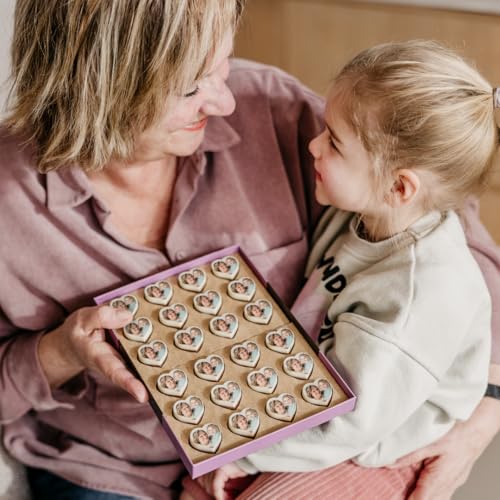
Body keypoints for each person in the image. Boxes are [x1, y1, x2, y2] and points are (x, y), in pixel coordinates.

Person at [0, 0, 498, 498]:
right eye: (192, 86)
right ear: (98, 86)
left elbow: (442, 232)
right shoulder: (10, 202)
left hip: (288, 451)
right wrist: (57, 353)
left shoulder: (273, 108)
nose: (225, 103)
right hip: (114, 471)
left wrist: (485, 407)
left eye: (223, 66)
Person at [195, 41, 500, 500]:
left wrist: (243, 454)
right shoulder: (365, 215)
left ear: (399, 186)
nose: (313, 145)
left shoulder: (416, 296)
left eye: (334, 142)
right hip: (330, 410)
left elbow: (348, 424)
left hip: (381, 447)